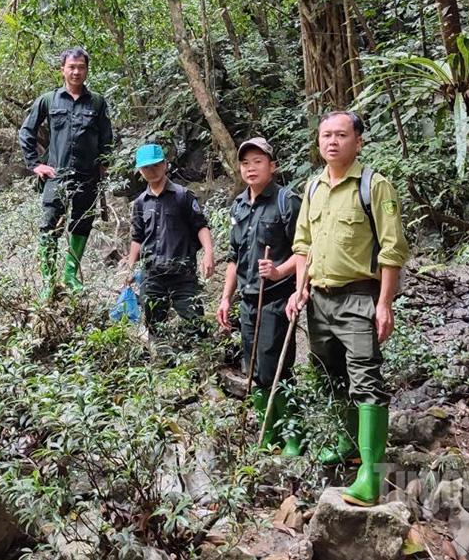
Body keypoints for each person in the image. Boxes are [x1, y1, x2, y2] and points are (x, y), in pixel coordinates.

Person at [286, 111, 409, 506]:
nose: (332, 142)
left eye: (341, 134)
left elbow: (393, 249)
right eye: (326, 135)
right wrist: (298, 288)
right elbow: (302, 244)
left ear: (358, 141)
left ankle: (371, 476)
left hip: (359, 297)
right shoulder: (313, 188)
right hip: (318, 300)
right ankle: (347, 444)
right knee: (328, 373)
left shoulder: (375, 186)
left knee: (366, 379)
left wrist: (384, 303)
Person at [217, 137, 302, 455]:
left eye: (258, 161)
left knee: (276, 368)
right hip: (248, 300)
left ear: (272, 165)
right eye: (245, 163)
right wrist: (226, 298)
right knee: (253, 371)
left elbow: (305, 251)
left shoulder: (286, 202)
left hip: (278, 300)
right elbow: (233, 258)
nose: (250, 168)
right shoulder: (238, 205)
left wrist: (280, 271)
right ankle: (269, 434)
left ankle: (293, 435)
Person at [18, 47, 114, 299]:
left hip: (88, 176)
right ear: (63, 69)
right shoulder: (49, 100)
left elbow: (107, 138)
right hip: (56, 176)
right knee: (49, 226)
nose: (76, 72)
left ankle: (70, 275)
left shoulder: (97, 102)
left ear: (86, 70)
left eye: (81, 67)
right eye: (72, 67)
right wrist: (35, 164)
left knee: (82, 224)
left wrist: (104, 166)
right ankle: (48, 281)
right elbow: (26, 132)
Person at [123, 144, 214, 343]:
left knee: (195, 324)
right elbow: (137, 237)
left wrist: (208, 254)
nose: (151, 171)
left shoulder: (182, 196)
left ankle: (200, 365)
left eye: (156, 165)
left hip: (182, 274)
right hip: (152, 275)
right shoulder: (140, 202)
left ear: (165, 165)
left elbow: (201, 226)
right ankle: (165, 364)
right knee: (155, 328)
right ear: (140, 171)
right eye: (146, 167)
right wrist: (130, 268)